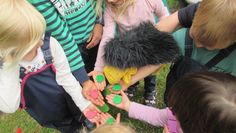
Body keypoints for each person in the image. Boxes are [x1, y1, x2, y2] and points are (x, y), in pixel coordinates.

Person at [0, 0, 102, 132]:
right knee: (66, 125)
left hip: (67, 94)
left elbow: (65, 77)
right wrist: (10, 63)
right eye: (32, 43)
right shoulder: (6, 67)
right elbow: (10, 106)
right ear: (11, 50)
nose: (41, 43)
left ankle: (83, 120)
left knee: (76, 110)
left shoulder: (50, 44)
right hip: (46, 109)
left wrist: (84, 105)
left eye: (40, 35)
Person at [91, 0, 170, 106]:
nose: (111, 2)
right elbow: (107, 38)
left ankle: (150, 90)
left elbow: (164, 15)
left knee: (149, 72)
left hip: (150, 45)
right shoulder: (110, 8)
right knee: (131, 69)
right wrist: (98, 69)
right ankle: (132, 84)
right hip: (130, 48)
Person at [28, 0, 105, 105]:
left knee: (101, 72)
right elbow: (63, 38)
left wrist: (99, 22)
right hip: (74, 50)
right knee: (83, 84)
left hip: (97, 32)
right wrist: (84, 80)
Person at [106, 72, 236, 133]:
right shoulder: (178, 113)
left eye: (177, 109)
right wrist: (129, 106)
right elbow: (158, 116)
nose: (172, 109)